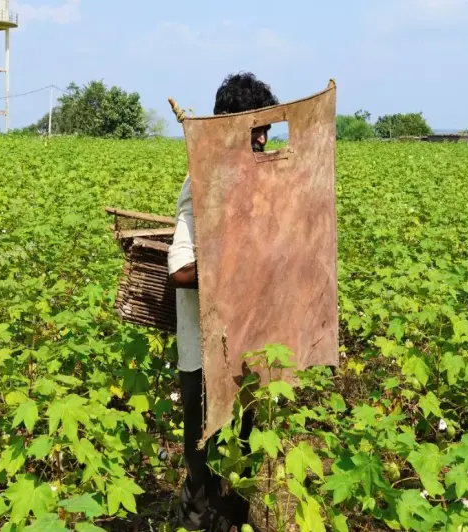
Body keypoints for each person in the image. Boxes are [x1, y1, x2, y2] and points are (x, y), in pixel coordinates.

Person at [167, 72, 279, 532]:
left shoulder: (262, 183)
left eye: (266, 130)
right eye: (256, 130)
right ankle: (197, 516)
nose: (264, 140)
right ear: (231, 127)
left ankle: (233, 518)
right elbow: (181, 270)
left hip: (249, 344)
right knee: (201, 443)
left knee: (245, 445)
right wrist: (234, 268)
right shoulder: (201, 185)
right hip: (204, 348)